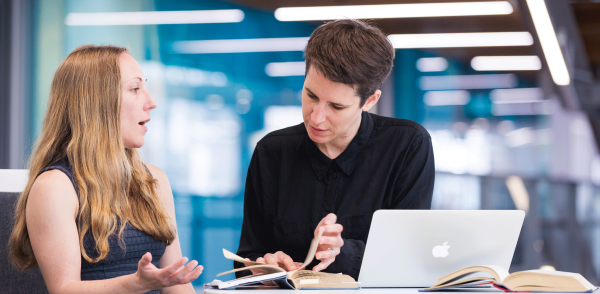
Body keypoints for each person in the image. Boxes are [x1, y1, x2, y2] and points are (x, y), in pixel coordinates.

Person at [235, 19, 435, 280]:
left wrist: (343, 253)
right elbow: (248, 257)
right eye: (311, 96)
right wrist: (263, 265)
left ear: (370, 100)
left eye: (337, 107)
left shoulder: (407, 144)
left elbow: (409, 256)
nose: (316, 118)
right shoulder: (272, 151)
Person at [8, 45, 202, 293]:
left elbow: (177, 285)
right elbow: (64, 289)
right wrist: (136, 284)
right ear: (98, 103)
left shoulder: (155, 180)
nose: (151, 102)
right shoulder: (55, 186)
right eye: (135, 89)